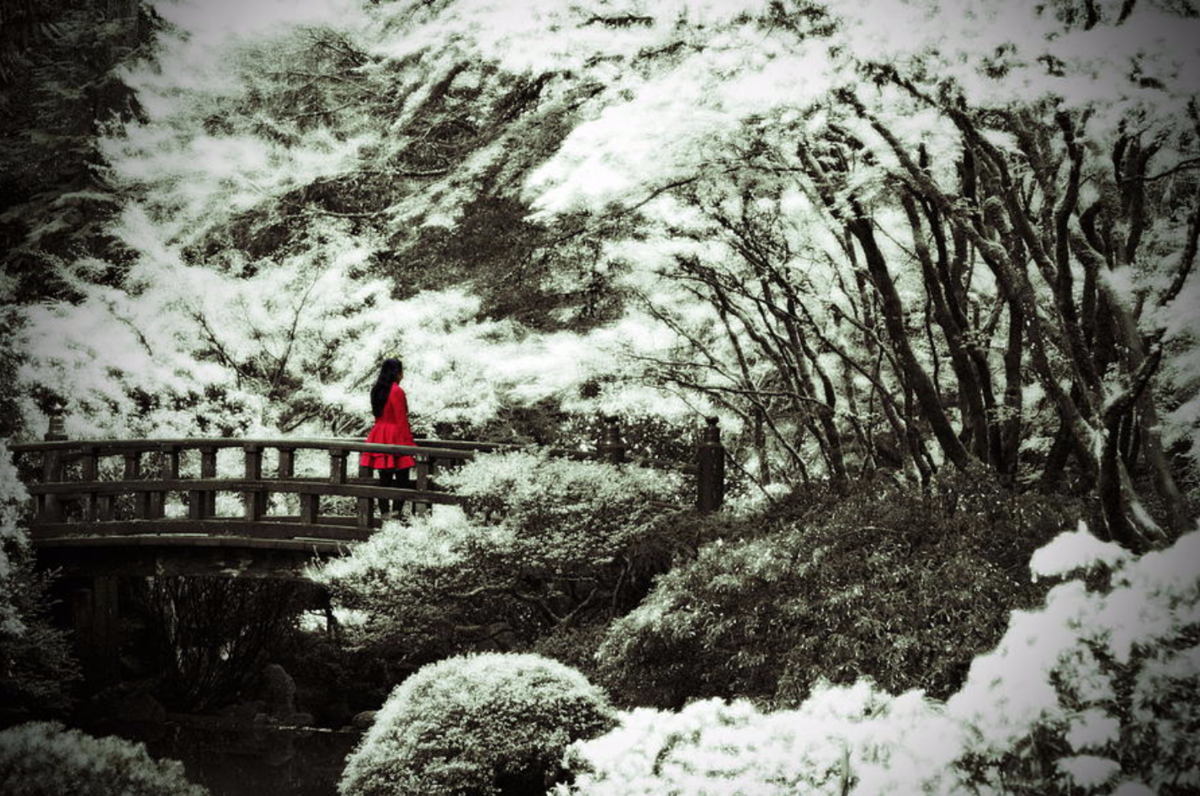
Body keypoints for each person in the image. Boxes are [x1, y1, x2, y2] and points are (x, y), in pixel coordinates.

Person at [361, 357, 416, 518]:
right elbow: (401, 419)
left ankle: (385, 512)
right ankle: (396, 511)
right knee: (402, 478)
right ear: (396, 372)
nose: (402, 374)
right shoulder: (396, 391)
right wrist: (409, 445)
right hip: (395, 434)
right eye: (401, 371)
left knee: (384, 478)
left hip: (379, 433)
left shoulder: (376, 389)